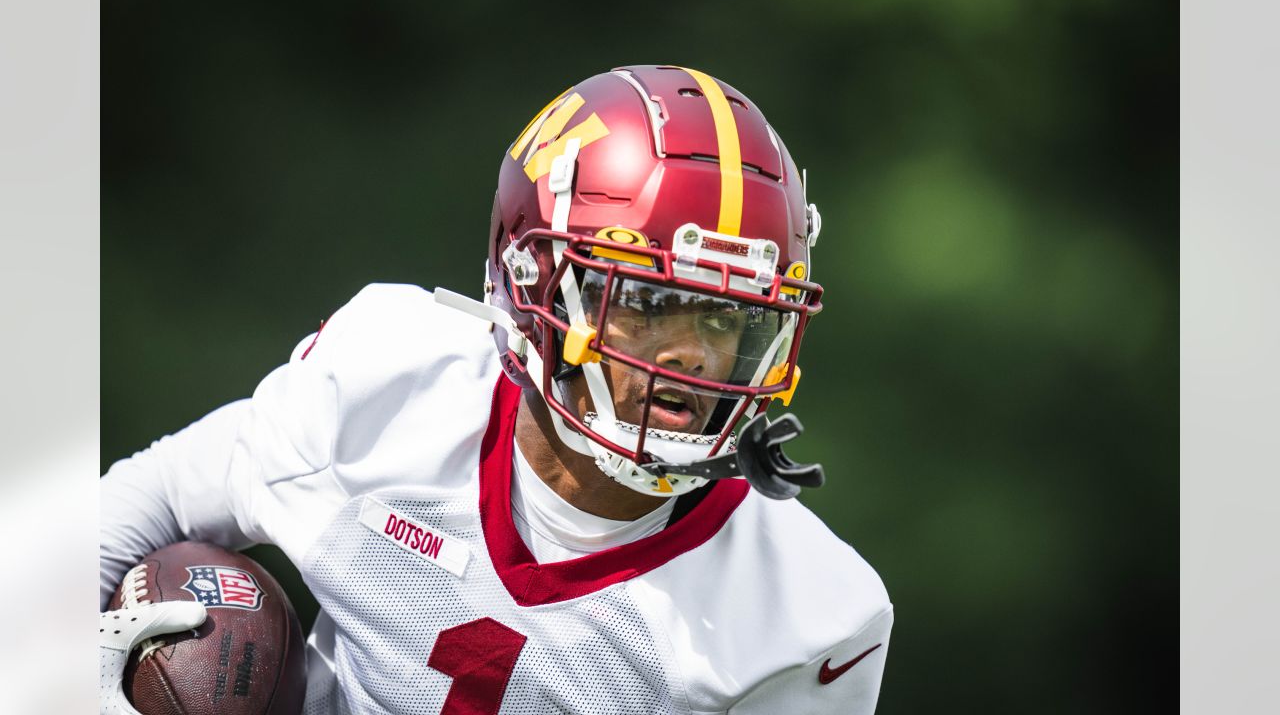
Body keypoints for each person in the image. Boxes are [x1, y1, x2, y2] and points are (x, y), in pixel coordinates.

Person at [100, 65, 893, 715]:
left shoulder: (809, 618)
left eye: (725, 317)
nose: (691, 353)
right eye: (649, 302)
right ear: (533, 282)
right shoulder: (388, 385)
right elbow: (148, 503)